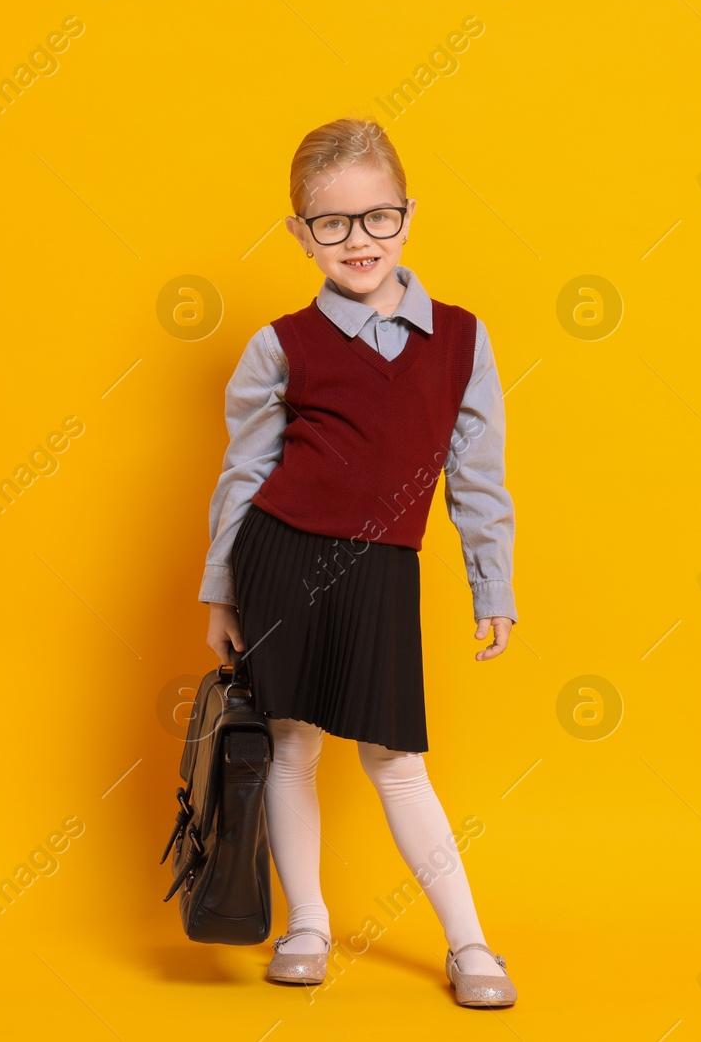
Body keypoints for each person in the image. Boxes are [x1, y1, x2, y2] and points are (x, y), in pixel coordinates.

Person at [198, 118, 519, 1008]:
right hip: (280, 560)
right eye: (332, 224)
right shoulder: (280, 345)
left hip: (382, 573)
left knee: (396, 762)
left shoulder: (460, 339)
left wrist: (493, 583)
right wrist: (220, 587)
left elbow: (479, 477)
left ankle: (470, 942)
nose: (358, 241)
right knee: (291, 750)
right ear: (301, 233)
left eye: (376, 218)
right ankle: (307, 923)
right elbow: (245, 474)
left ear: (407, 216)